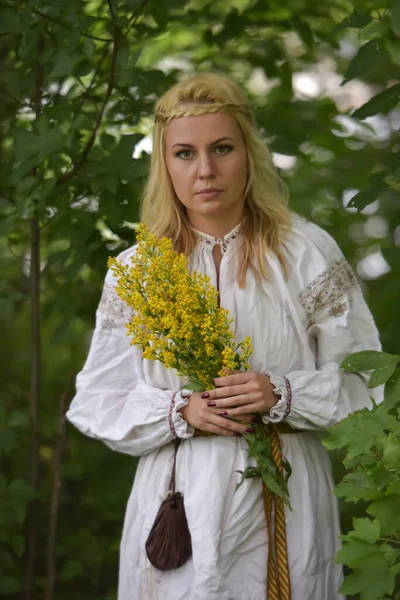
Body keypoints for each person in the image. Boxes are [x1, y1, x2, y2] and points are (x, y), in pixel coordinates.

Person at [66, 72, 381, 600]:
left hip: (287, 493)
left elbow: (368, 381)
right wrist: (179, 410)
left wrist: (283, 395)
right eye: (185, 154)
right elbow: (97, 400)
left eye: (222, 148)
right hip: (179, 501)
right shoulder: (137, 271)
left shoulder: (304, 251)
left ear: (249, 153)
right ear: (165, 165)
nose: (205, 170)